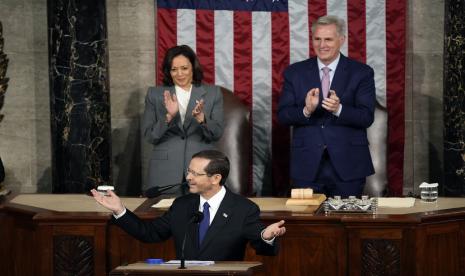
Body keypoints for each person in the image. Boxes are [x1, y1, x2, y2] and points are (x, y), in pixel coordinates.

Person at [91, 150, 286, 261]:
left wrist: (266, 236)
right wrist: (119, 210)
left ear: (216, 178)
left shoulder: (243, 208)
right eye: (188, 171)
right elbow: (149, 233)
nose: (188, 177)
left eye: (196, 174)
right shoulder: (182, 205)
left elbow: (263, 245)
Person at [277, 15, 375, 198]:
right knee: (307, 224)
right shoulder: (295, 72)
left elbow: (366, 117)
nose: (322, 45)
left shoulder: (361, 73)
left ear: (341, 40)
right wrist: (306, 110)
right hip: (307, 165)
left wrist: (339, 109)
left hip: (348, 165)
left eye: (328, 39)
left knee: (346, 222)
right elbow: (283, 115)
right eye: (317, 39)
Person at [142, 45, 224, 194]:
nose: (179, 74)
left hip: (203, 170)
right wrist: (168, 117)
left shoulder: (213, 93)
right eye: (174, 69)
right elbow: (150, 136)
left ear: (193, 67)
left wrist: (202, 119)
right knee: (165, 215)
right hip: (165, 170)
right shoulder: (154, 94)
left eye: (184, 68)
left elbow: (217, 133)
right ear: (169, 71)